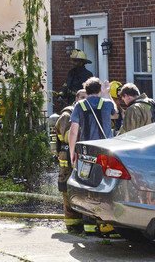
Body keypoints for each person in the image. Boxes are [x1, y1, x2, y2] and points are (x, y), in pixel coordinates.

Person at [68, 77, 116, 236]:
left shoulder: (80, 105)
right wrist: (107, 93)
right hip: (105, 152)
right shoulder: (107, 104)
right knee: (105, 186)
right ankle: (106, 226)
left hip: (85, 153)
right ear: (99, 89)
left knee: (86, 186)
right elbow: (116, 115)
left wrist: (72, 152)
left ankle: (89, 226)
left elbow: (73, 131)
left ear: (86, 90)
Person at [55, 89, 86, 233]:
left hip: (81, 156)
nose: (85, 100)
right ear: (76, 98)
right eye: (82, 97)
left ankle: (83, 222)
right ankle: (72, 225)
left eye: (87, 97)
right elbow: (67, 136)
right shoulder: (67, 114)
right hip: (67, 158)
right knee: (67, 189)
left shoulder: (87, 112)